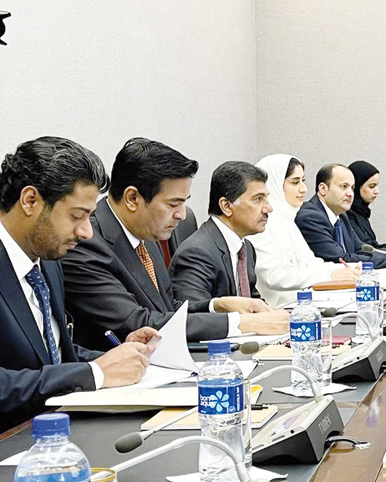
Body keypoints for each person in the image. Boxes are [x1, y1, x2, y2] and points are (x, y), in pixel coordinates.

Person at [61, 138, 286, 348]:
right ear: (133, 199)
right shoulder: (85, 242)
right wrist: (240, 324)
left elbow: (166, 308)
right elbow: (137, 320)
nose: (182, 215)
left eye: (184, 203)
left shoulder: (146, 234)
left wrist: (218, 305)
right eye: (173, 204)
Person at [0, 137, 154, 425]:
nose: (86, 233)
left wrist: (119, 355)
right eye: (76, 216)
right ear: (30, 200)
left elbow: (50, 355)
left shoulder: (48, 261)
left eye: (90, 217)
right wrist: (95, 372)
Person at [170, 162, 290, 337]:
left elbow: (252, 303)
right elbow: (192, 319)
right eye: (258, 199)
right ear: (226, 206)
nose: (268, 208)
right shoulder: (197, 252)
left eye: (267, 198)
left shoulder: (245, 247)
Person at [249, 154, 358, 307]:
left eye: (303, 181)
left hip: (301, 303)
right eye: (295, 182)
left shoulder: (287, 220)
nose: (304, 189)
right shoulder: (260, 224)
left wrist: (349, 269)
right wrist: (329, 275)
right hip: (278, 310)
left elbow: (310, 263)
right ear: (272, 184)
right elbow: (273, 277)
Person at [296, 163, 386, 268]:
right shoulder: (310, 217)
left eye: (352, 188)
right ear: (323, 189)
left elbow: (360, 248)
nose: (350, 194)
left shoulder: (341, 216)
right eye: (344, 186)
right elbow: (341, 258)